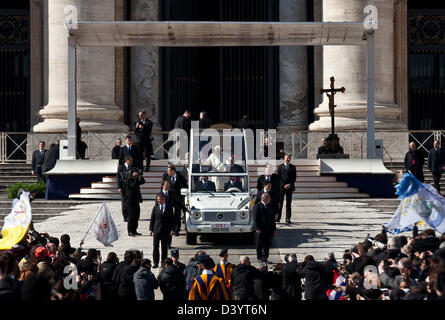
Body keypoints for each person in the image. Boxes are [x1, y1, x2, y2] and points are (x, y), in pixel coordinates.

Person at [149, 194, 175, 268]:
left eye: (160, 199)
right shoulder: (155, 208)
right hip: (156, 231)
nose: (159, 201)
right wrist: (150, 229)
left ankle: (164, 263)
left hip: (165, 231)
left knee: (164, 248)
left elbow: (172, 220)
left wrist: (172, 229)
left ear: (164, 199)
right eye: (158, 200)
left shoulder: (169, 208)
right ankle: (156, 263)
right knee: (155, 247)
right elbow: (152, 219)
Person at [253, 193, 276, 264]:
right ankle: (259, 257)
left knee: (267, 244)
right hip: (260, 229)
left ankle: (265, 258)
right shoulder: (258, 206)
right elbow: (255, 218)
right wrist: (257, 228)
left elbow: (272, 219)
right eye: (269, 197)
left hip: (268, 229)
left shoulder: (270, 206)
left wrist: (274, 229)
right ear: (264, 199)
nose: (270, 199)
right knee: (259, 244)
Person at [166, 166, 187, 236]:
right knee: (170, 214)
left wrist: (182, 195)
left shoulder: (180, 178)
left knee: (177, 215)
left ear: (173, 171)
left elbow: (185, 186)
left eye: (168, 171)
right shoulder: (168, 178)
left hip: (178, 199)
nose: (167, 172)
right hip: (170, 199)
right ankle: (171, 229)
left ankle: (177, 230)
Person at [277, 154, 297, 224]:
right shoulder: (280, 167)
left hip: (290, 188)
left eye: (289, 158)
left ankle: (288, 218)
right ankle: (278, 218)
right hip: (281, 188)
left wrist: (289, 184)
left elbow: (294, 178)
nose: (288, 159)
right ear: (284, 158)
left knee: (288, 204)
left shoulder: (293, 167)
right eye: (287, 158)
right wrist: (283, 185)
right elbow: (278, 178)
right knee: (280, 203)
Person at [117, 155, 134, 223]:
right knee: (124, 203)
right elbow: (118, 178)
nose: (132, 162)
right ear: (127, 161)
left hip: (130, 188)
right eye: (131, 160)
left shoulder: (132, 168)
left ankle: (130, 215)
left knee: (130, 202)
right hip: (123, 188)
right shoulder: (121, 168)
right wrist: (119, 187)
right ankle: (125, 216)